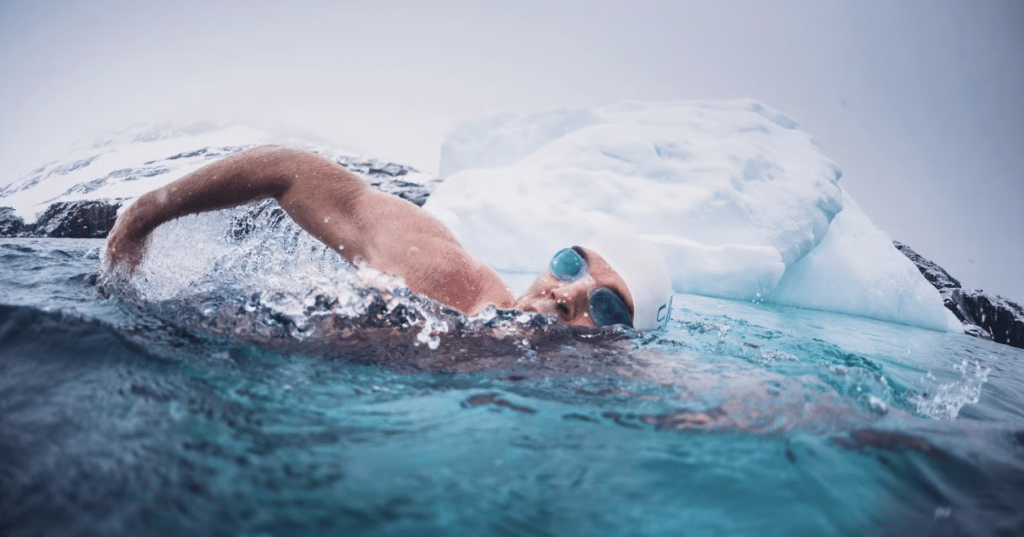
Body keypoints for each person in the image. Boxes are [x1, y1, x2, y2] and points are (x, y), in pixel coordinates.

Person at [105, 145, 673, 330]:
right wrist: (140, 219)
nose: (570, 293)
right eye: (572, 264)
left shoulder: (602, 386)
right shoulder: (446, 273)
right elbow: (288, 170)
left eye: (605, 305)